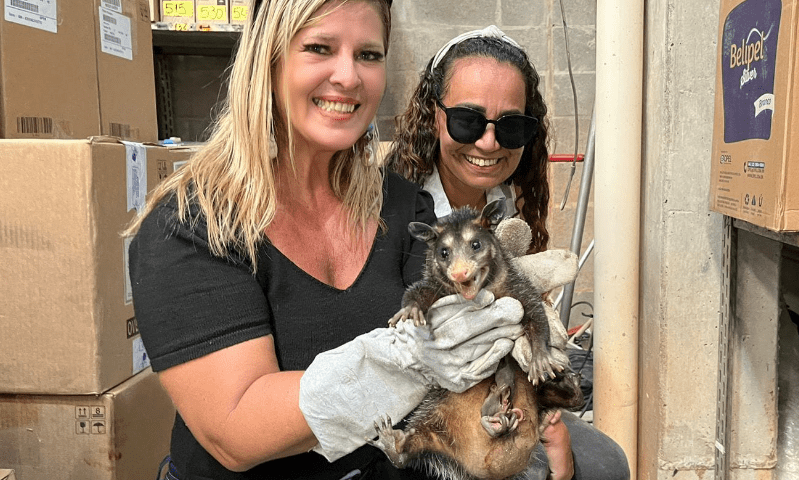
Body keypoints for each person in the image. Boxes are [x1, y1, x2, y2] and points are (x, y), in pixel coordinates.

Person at [126, 2, 534, 479]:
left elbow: (460, 348)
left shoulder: (400, 207)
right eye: (319, 48)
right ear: (268, 60)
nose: (349, 77)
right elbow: (235, 429)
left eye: (368, 54)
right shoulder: (193, 225)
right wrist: (405, 361)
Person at [387, 26, 632, 480]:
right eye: (467, 119)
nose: (488, 143)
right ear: (434, 116)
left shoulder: (502, 203)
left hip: (506, 396)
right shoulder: (400, 215)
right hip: (439, 411)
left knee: (606, 464)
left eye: (512, 126)